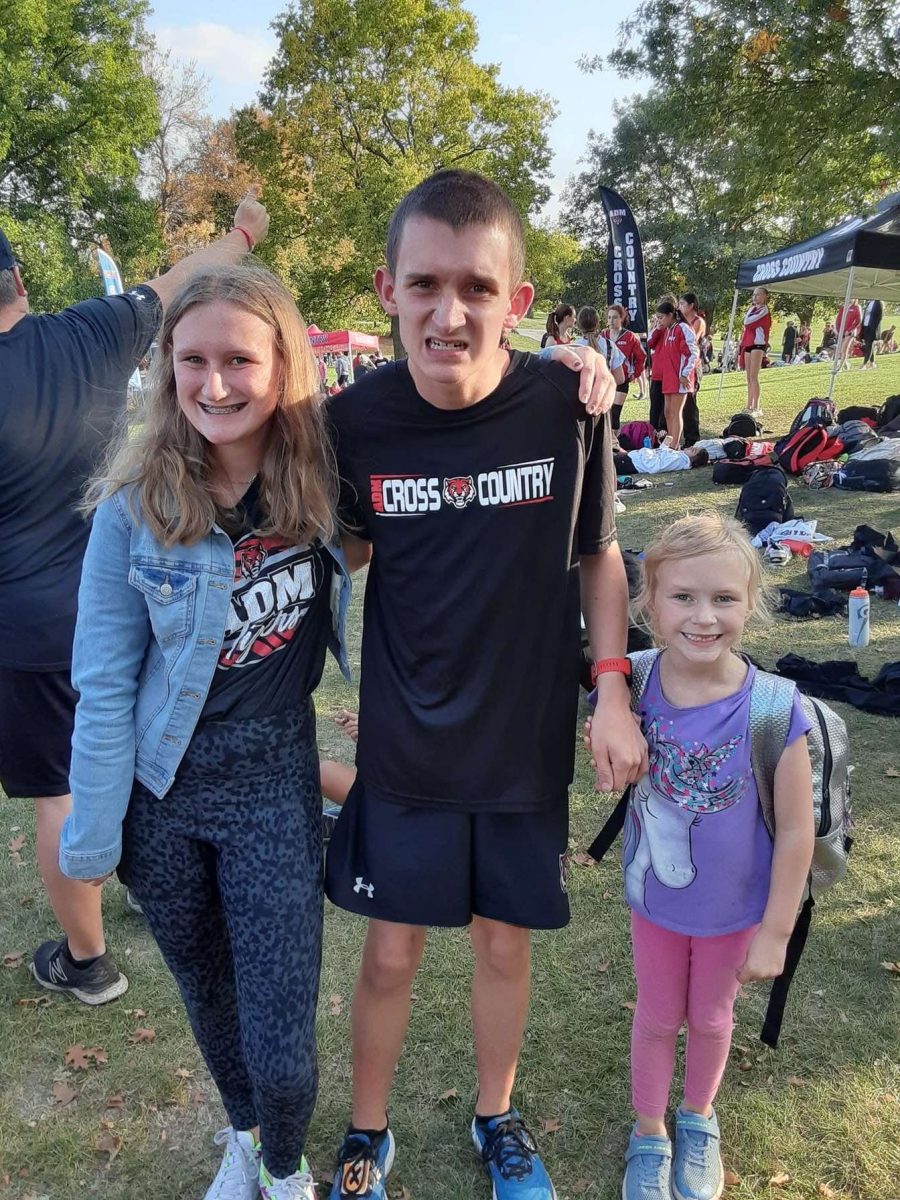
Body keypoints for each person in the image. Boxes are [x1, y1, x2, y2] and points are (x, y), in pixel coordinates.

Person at [324, 169, 647, 1200]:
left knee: (506, 946)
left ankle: (495, 1117)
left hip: (524, 735)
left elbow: (598, 554)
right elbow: (347, 551)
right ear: (387, 289)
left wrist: (612, 687)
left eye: (475, 287)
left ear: (516, 298)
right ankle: (365, 1135)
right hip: (409, 740)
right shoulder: (354, 421)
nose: (447, 312)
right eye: (424, 285)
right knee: (389, 956)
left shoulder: (565, 401)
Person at [59, 263, 351, 1200]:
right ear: (166, 368)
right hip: (163, 798)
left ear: (284, 367)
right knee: (212, 1000)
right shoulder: (131, 512)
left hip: (273, 786)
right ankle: (245, 1136)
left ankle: (285, 1158)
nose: (215, 384)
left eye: (239, 359)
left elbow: (448, 409)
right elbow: (102, 686)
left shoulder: (328, 487)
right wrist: (94, 835)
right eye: (193, 360)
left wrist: (574, 375)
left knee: (283, 1036)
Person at [0, 191, 268, 1007]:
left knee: (60, 789)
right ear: (17, 282)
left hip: (27, 627)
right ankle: (161, 888)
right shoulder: (89, 331)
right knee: (150, 748)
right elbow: (182, 275)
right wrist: (244, 232)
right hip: (125, 598)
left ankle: (87, 958)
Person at [586, 513, 814, 1200]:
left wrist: (775, 930)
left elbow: (798, 830)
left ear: (752, 603)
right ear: (648, 603)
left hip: (735, 909)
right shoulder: (635, 685)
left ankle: (698, 1117)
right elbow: (604, 741)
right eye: (682, 597)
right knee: (656, 1015)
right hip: (655, 900)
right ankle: (650, 1132)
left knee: (712, 1018)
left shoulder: (775, 707)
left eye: (723, 599)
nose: (703, 617)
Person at [651, 301, 698, 451]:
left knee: (676, 412)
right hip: (668, 378)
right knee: (667, 412)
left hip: (679, 378)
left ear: (670, 315)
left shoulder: (682, 328)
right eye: (657, 317)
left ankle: (675, 445)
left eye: (661, 317)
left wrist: (685, 373)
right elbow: (651, 342)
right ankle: (670, 442)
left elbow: (693, 352)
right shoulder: (668, 330)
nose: (659, 320)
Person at [603, 304, 646, 432]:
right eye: (609, 317)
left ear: (622, 318)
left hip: (622, 379)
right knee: (605, 413)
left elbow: (642, 357)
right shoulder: (603, 335)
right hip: (605, 380)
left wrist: (635, 374)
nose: (611, 321)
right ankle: (606, 443)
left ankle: (614, 443)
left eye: (615, 317)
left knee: (615, 413)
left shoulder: (630, 336)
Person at [677, 293, 706, 445]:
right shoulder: (680, 322)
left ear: (691, 305)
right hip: (681, 364)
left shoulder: (698, 321)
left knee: (690, 401)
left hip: (693, 365)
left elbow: (691, 340)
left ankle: (692, 437)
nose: (679, 307)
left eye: (682, 304)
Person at [738, 286, 771, 413]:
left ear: (764, 297)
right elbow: (747, 322)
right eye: (754, 295)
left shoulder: (764, 310)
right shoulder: (752, 309)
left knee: (753, 376)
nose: (755, 297)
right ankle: (748, 404)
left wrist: (749, 322)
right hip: (748, 343)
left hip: (758, 343)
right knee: (748, 377)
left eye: (758, 295)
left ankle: (756, 406)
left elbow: (748, 322)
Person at [836, 297, 862, 370]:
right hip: (842, 331)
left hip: (850, 332)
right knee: (841, 350)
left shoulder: (856, 308)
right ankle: (846, 364)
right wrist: (839, 330)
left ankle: (840, 368)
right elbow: (838, 320)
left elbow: (858, 321)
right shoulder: (843, 308)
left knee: (844, 349)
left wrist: (850, 330)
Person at [859, 298, 883, 369]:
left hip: (872, 328)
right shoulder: (868, 303)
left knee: (869, 345)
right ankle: (872, 363)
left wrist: (875, 328)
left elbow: (879, 317)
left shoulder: (878, 303)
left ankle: (864, 364)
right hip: (866, 326)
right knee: (869, 345)